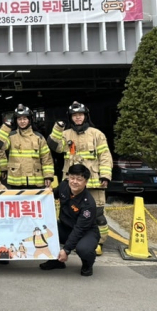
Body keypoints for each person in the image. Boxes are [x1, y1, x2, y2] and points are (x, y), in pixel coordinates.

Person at [47, 101, 112, 255]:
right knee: (71, 214)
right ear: (70, 117)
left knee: (97, 215)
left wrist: (105, 176)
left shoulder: (97, 134)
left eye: (80, 115)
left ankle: (98, 242)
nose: (78, 117)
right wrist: (58, 127)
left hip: (93, 182)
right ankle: (76, 240)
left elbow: (105, 156)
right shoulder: (65, 134)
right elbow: (53, 146)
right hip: (72, 184)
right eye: (74, 115)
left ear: (86, 116)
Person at [39, 164, 100, 276]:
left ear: (86, 182)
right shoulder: (64, 186)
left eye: (79, 179)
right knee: (42, 231)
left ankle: (87, 264)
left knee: (84, 249)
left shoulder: (88, 204)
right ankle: (56, 261)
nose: (74, 182)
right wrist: (45, 193)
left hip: (85, 232)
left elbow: (79, 229)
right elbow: (51, 195)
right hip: (66, 227)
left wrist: (66, 250)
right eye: (72, 178)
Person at [0, 104, 54, 189]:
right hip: (16, 181)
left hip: (35, 181)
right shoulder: (11, 136)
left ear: (29, 120)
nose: (22, 121)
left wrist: (48, 176)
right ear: (16, 120)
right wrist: (6, 128)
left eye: (24, 119)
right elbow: (0, 145)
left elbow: (46, 158)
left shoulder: (39, 137)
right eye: (19, 119)